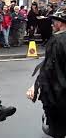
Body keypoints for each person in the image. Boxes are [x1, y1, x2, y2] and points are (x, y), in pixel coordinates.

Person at [26, 8, 66, 138]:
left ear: (60, 23)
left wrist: (36, 86)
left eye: (54, 21)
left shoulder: (56, 40)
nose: (52, 24)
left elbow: (48, 68)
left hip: (60, 94)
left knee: (57, 129)